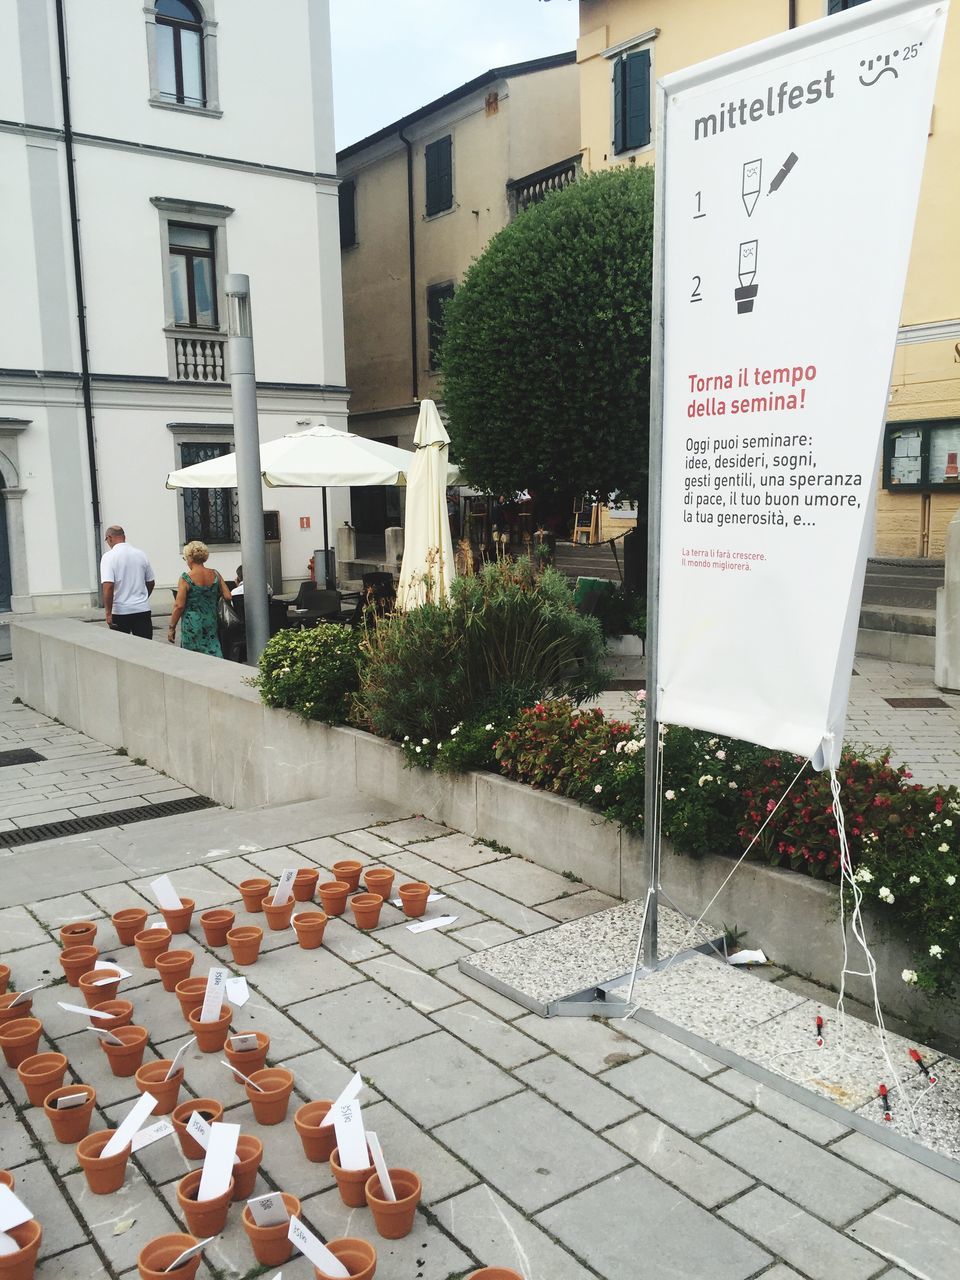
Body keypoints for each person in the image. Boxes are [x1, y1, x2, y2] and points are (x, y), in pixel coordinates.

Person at [167, 540, 232, 655]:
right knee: (212, 651)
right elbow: (228, 596)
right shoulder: (215, 574)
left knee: (193, 657)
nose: (186, 561)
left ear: (190, 558)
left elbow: (179, 605)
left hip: (192, 624)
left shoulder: (186, 578)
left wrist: (172, 627)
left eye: (185, 558)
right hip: (211, 621)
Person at [100, 525, 155, 639]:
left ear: (109, 538)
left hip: (120, 611)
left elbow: (108, 586)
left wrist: (108, 613)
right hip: (142, 610)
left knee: (122, 650)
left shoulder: (108, 557)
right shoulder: (141, 554)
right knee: (146, 648)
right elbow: (151, 582)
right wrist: (143, 597)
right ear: (124, 536)